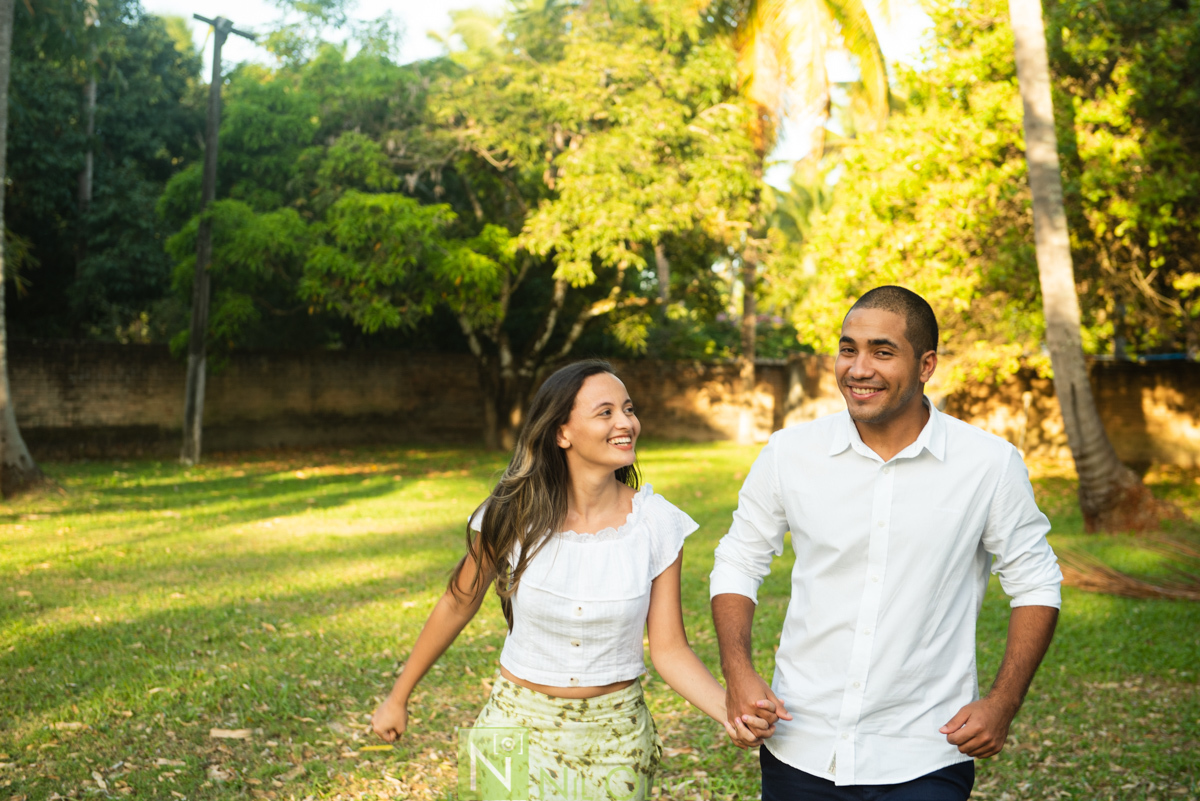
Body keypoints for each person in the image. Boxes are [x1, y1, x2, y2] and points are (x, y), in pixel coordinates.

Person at [711, 286, 1063, 801]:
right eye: (848, 348)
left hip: (925, 750)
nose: (858, 368)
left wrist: (1003, 701)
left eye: (882, 351)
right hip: (801, 743)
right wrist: (738, 673)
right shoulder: (791, 452)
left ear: (926, 365)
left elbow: (1036, 583)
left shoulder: (988, 464)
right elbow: (739, 560)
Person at [372, 359, 772, 800]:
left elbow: (670, 649)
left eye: (629, 409)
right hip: (511, 725)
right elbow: (457, 601)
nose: (626, 423)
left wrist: (730, 713)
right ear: (562, 433)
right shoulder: (512, 512)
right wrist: (398, 696)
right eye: (606, 413)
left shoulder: (657, 524)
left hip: (615, 737)